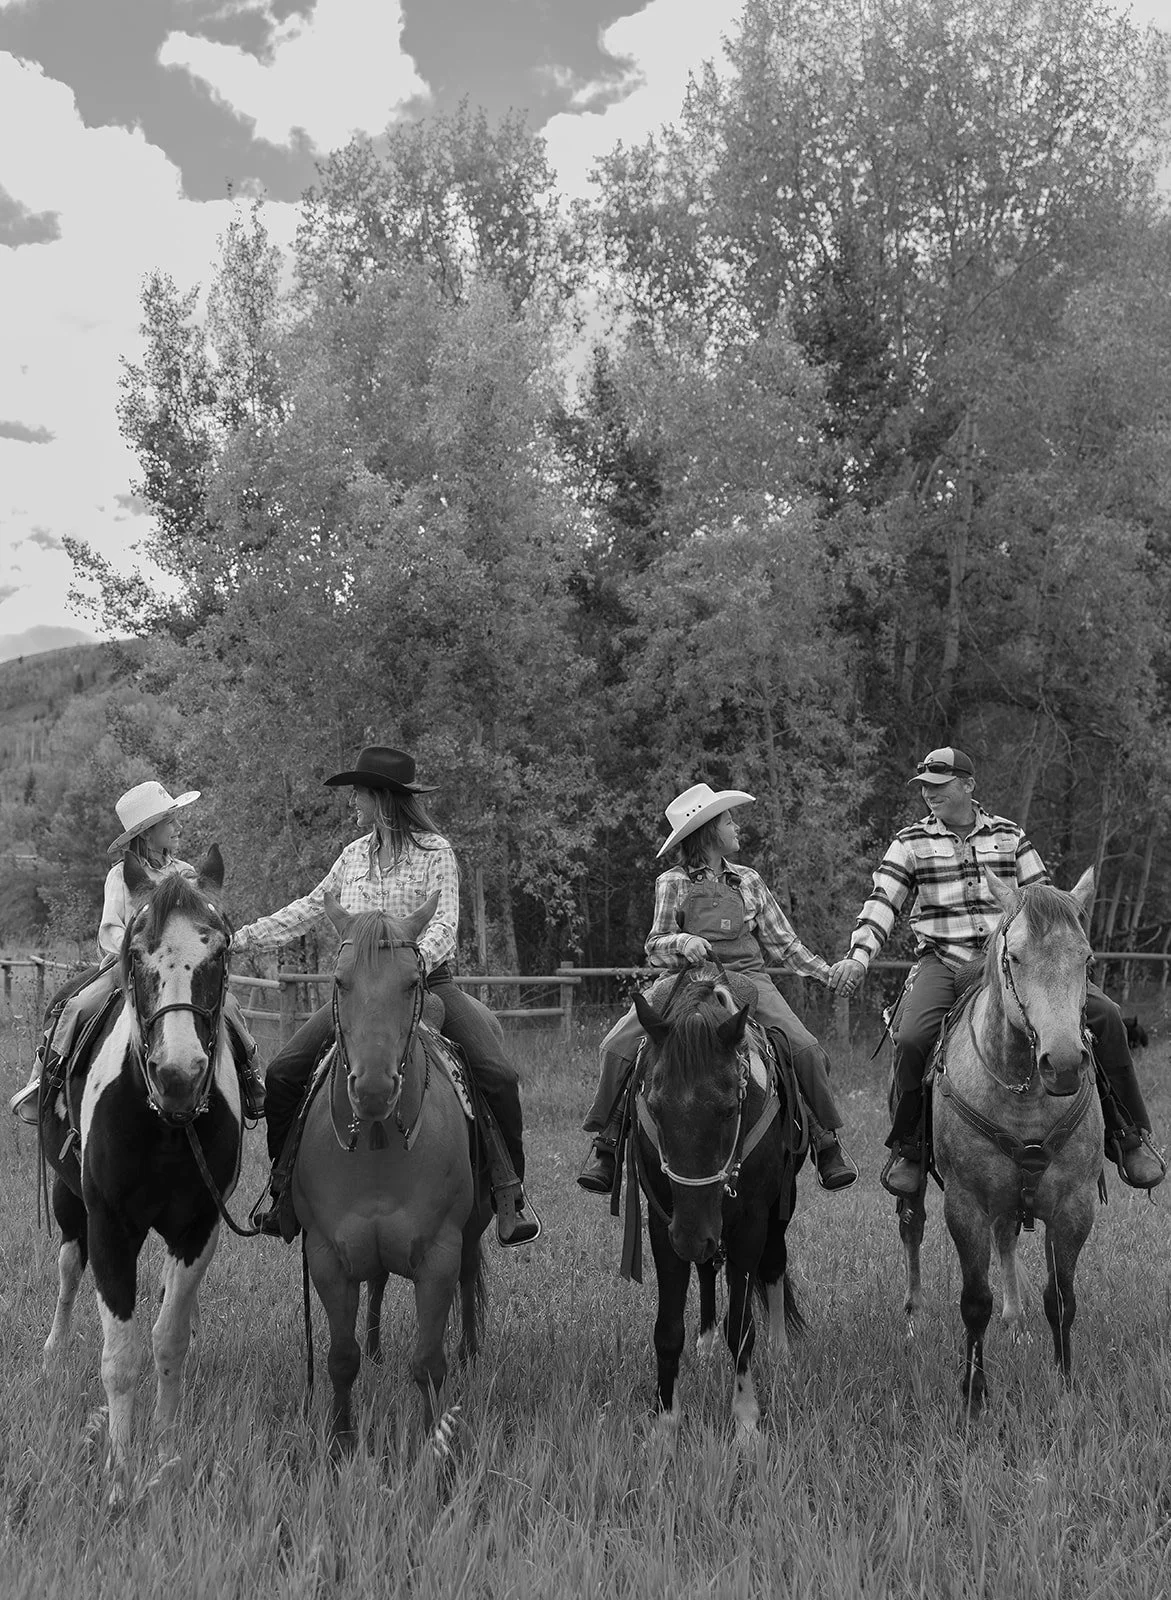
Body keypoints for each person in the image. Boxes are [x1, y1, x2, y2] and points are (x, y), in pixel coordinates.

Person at [827, 746, 1166, 1196]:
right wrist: (858, 955)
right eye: (924, 787)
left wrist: (1056, 946)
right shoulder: (909, 842)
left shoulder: (1009, 835)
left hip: (1019, 960)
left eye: (939, 785)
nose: (929, 794)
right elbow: (881, 903)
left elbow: (1044, 903)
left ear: (967, 785)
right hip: (945, 961)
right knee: (912, 1037)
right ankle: (911, 1146)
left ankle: (1128, 1135)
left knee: (1106, 1016)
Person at [238, 745, 540, 1247]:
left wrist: (409, 966)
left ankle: (509, 1193)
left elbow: (445, 924)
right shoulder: (352, 857)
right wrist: (239, 939)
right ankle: (284, 1190)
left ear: (381, 798)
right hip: (358, 994)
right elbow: (308, 909)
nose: (352, 802)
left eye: (358, 793)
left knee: (497, 1075)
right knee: (283, 1072)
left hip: (426, 984)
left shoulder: (435, 852)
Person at [578, 782, 858, 1194]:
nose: (736, 827)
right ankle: (608, 1144)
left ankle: (825, 1140)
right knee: (615, 1046)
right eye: (729, 821)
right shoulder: (671, 881)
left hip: (748, 978)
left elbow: (785, 944)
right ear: (709, 831)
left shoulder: (749, 880)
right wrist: (682, 942)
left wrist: (826, 973)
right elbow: (655, 946)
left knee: (805, 1048)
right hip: (683, 980)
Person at [10, 779, 265, 1124]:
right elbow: (110, 929)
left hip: (179, 970)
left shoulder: (185, 874)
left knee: (229, 1007)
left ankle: (251, 1079)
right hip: (127, 967)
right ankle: (43, 1081)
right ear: (147, 833)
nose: (178, 827)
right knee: (77, 1006)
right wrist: (138, 953)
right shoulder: (120, 876)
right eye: (170, 821)